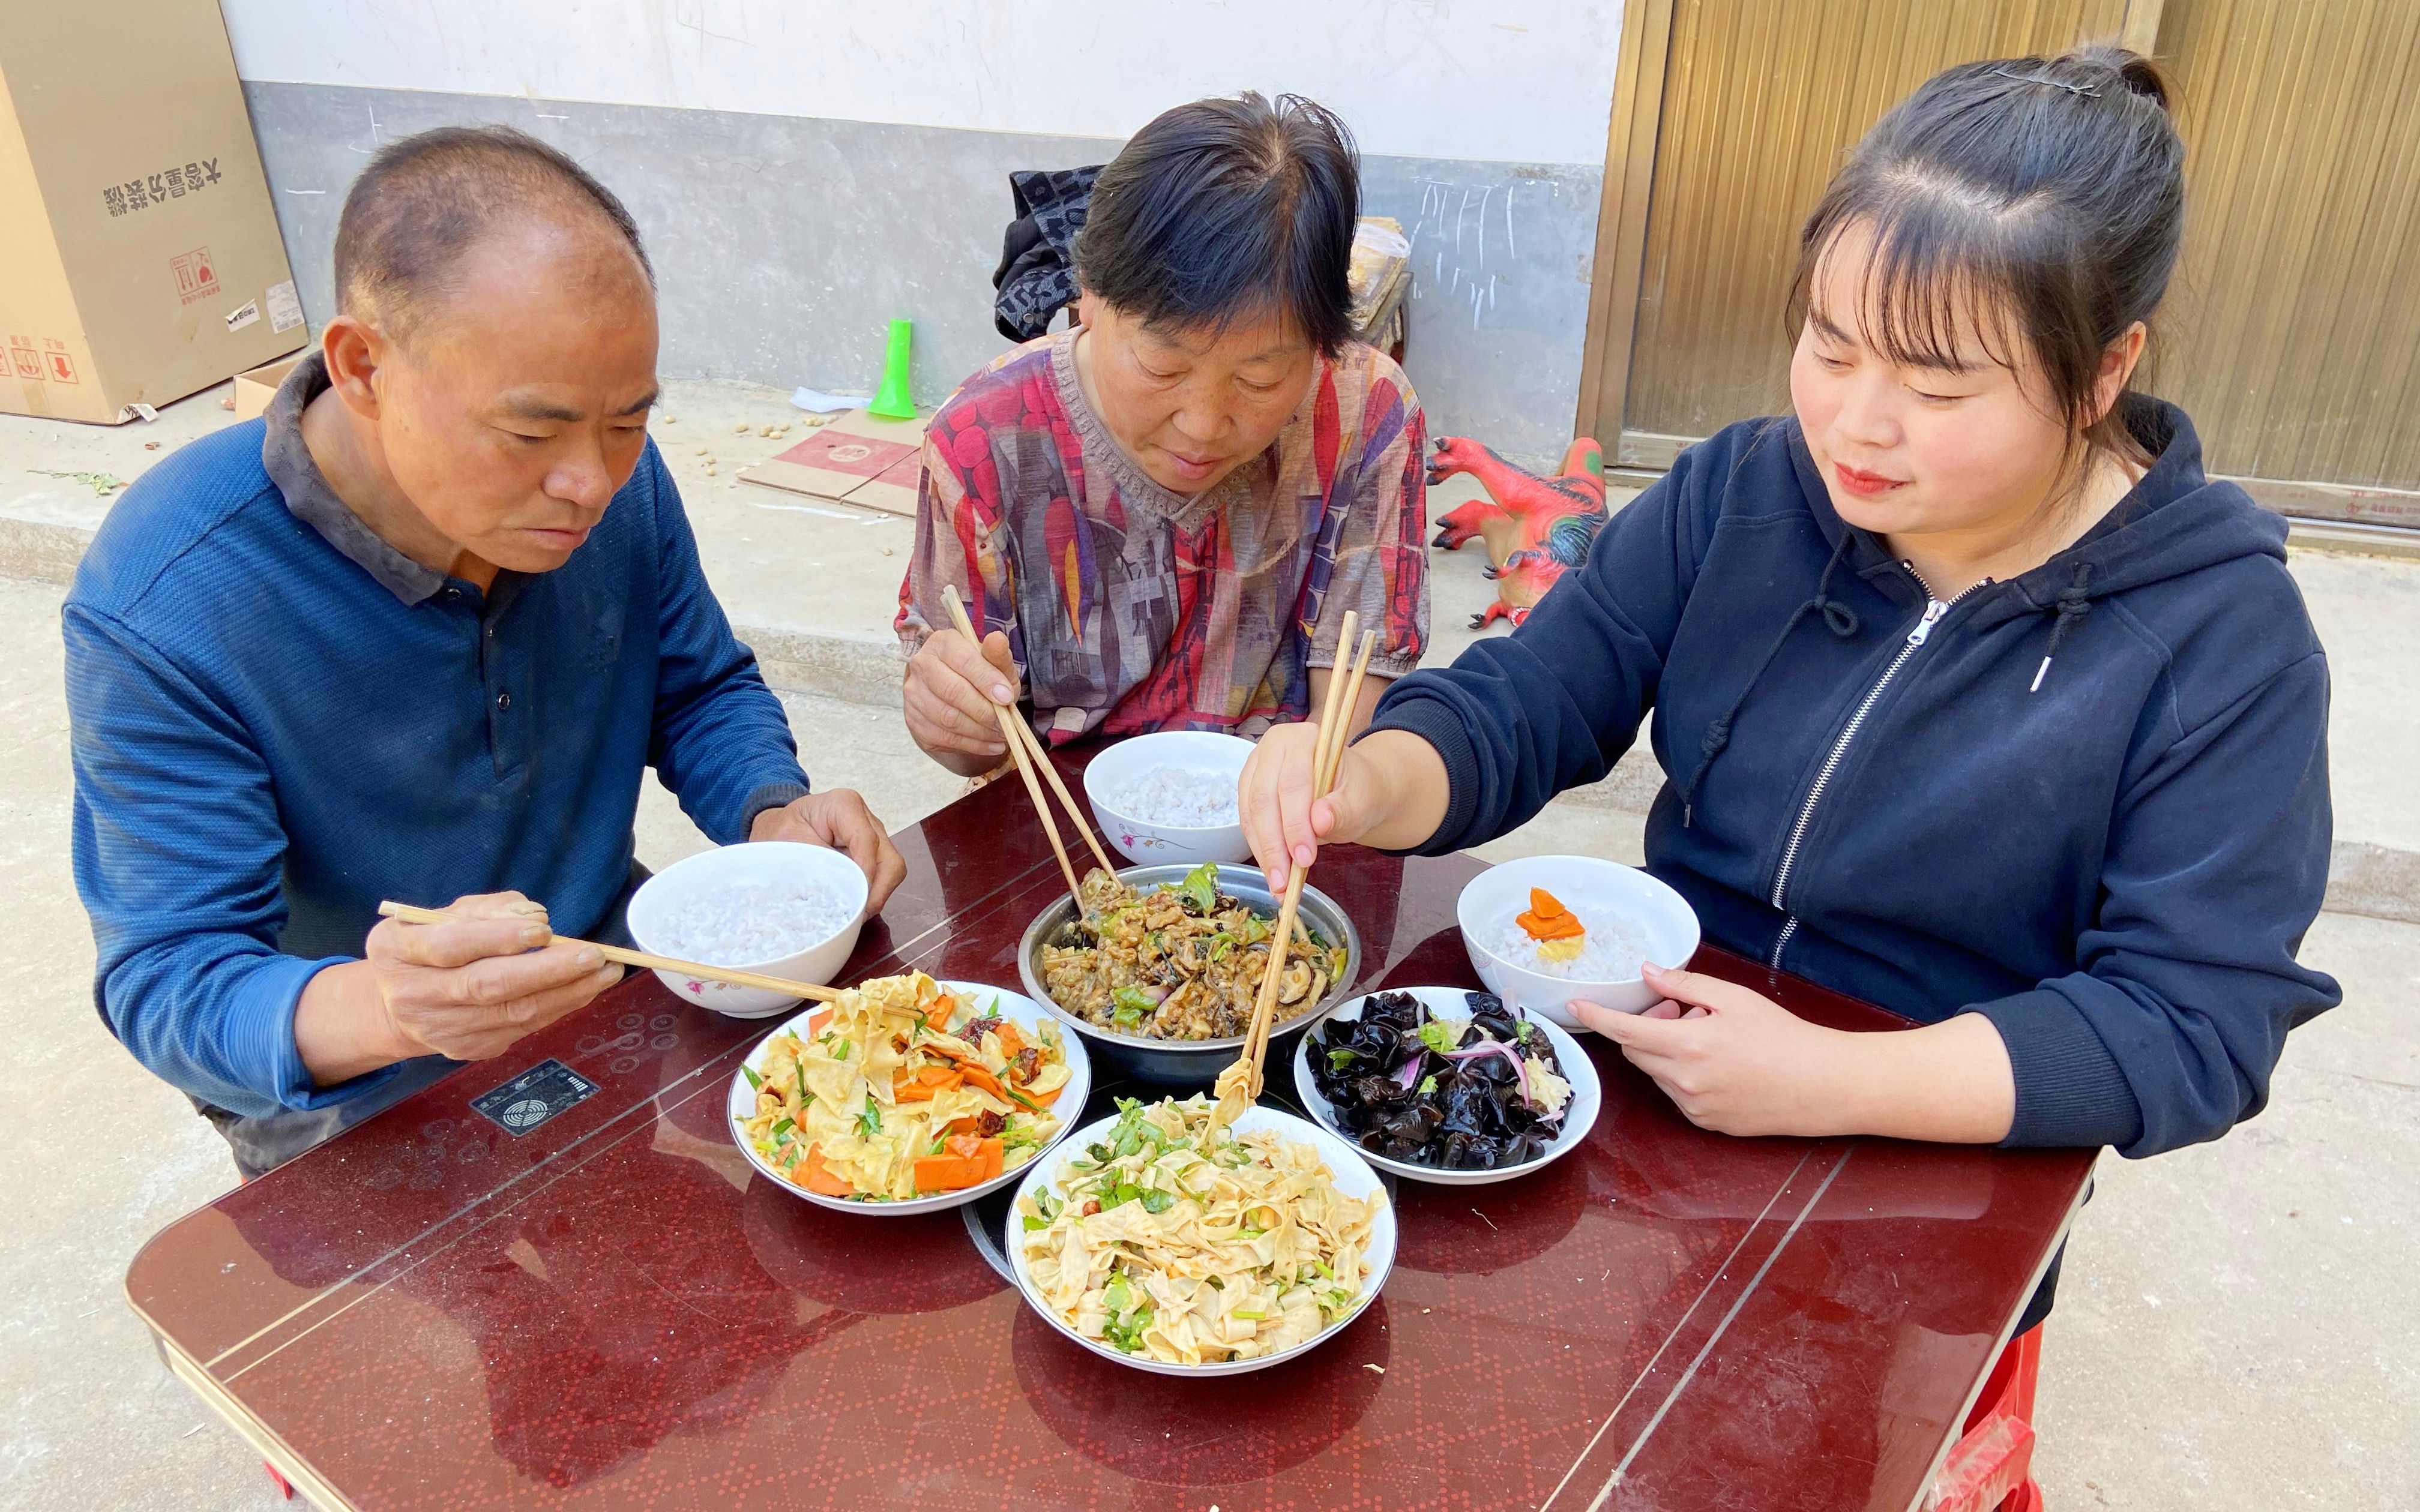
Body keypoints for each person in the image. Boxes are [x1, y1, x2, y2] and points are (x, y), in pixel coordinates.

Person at [1241, 47, 2340, 1329]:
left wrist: (1832, 1079)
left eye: (1937, 387)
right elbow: (1535, 697)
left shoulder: (2223, 639)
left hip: (1941, 1175)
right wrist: (1362, 777)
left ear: (2104, 372)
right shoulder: (1745, 492)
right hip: (1655, 1087)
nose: (1856, 427)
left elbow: (2192, 1019)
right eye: (1829, 346)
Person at [67, 126, 906, 1178]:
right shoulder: (171, 595)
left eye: (627, 422)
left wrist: (772, 810)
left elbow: (694, 688)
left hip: (605, 974)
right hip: (360, 1087)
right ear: (362, 366)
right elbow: (169, 977)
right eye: (531, 433)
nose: (589, 483)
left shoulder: (613, 491)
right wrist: (391, 1005)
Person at [896, 92, 1429, 776]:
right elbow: (975, 750)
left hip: (1286, 823)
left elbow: (1351, 710)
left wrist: (1313, 785)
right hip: (1065, 838)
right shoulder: (984, 439)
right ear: (1087, 292)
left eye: (1261, 379)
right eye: (1163, 364)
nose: (1204, 424)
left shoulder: (1364, 409)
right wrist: (947, 719)